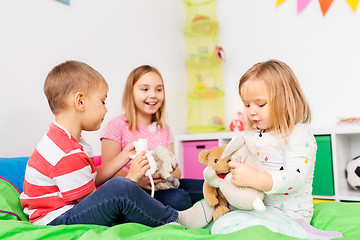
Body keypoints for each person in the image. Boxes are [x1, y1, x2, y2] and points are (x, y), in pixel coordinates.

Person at [19, 60, 213, 228]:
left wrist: (122, 157)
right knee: (121, 187)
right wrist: (131, 179)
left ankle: (224, 193)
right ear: (80, 102)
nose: (105, 108)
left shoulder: (70, 142)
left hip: (70, 209)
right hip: (59, 219)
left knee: (127, 188)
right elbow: (91, 199)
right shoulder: (65, 151)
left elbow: (92, 178)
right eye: (103, 101)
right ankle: (178, 218)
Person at [210, 60, 343, 239]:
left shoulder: (298, 134)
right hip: (260, 209)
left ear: (285, 100)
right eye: (247, 105)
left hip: (290, 215)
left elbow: (295, 177)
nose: (252, 112)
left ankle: (301, 232)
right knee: (220, 225)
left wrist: (255, 178)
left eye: (261, 104)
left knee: (239, 228)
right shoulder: (255, 135)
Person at [101, 65, 204, 210]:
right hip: (135, 189)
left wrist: (171, 173)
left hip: (164, 184)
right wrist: (138, 180)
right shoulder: (116, 125)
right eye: (144, 89)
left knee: (208, 187)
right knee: (179, 199)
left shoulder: (164, 129)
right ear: (131, 93)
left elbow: (177, 169)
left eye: (159, 89)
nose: (153, 95)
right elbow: (108, 173)